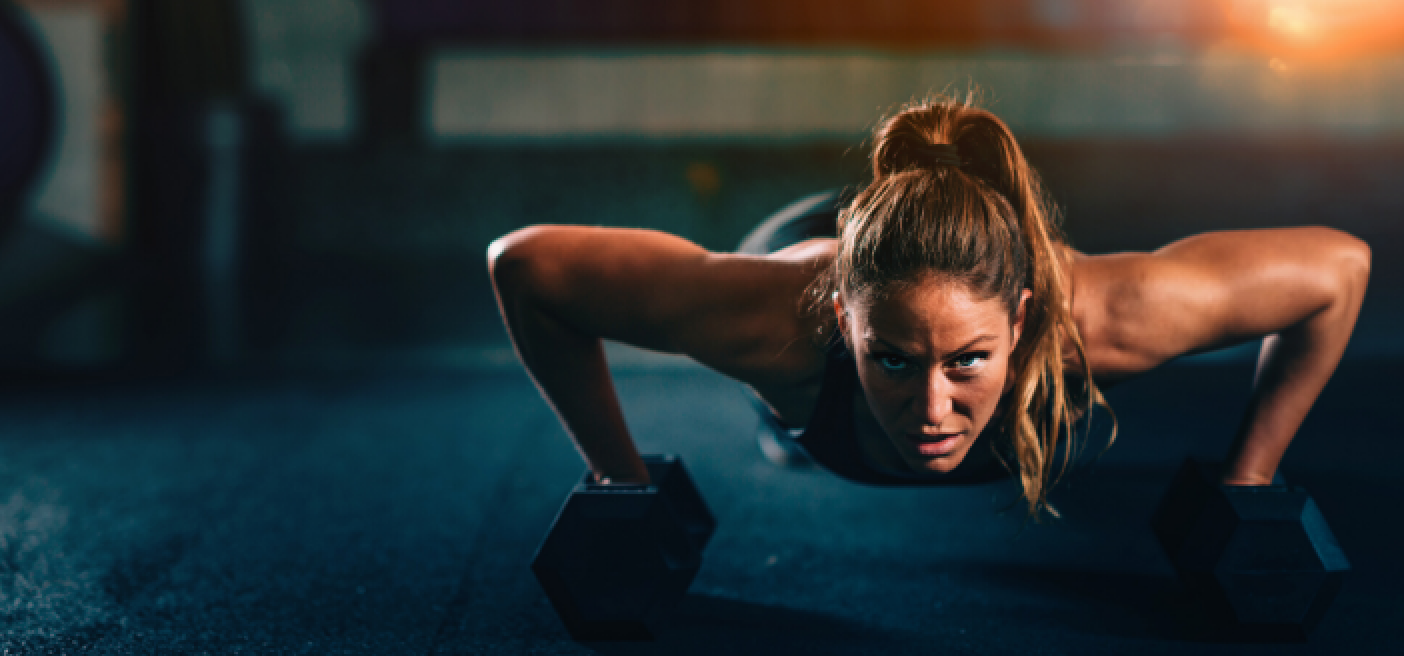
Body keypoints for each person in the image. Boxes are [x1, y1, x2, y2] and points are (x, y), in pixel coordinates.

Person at [487, 95, 1371, 518]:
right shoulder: (773, 321)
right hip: (810, 246)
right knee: (782, 399)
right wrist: (619, 479)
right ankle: (805, 402)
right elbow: (524, 265)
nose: (934, 412)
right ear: (845, 326)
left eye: (969, 363)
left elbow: (1338, 268)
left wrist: (1248, 480)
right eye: (897, 363)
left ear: (1021, 323)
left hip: (952, 257)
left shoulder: (1096, 320)